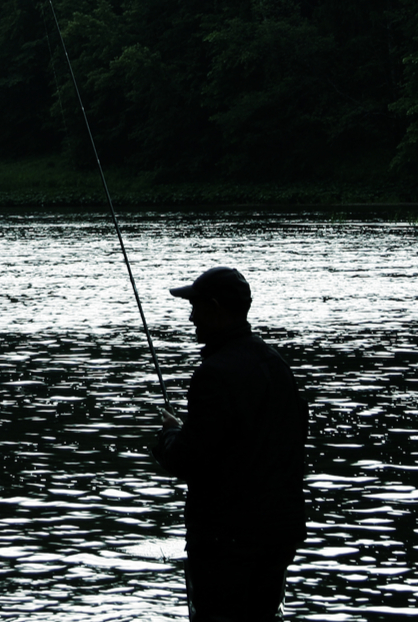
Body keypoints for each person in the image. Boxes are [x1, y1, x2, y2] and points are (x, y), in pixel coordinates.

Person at [151, 266, 306, 621]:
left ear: (216, 307)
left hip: (226, 539)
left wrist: (168, 435)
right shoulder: (276, 365)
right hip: (279, 534)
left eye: (195, 306)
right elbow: (289, 437)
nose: (191, 317)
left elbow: (189, 459)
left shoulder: (214, 374)